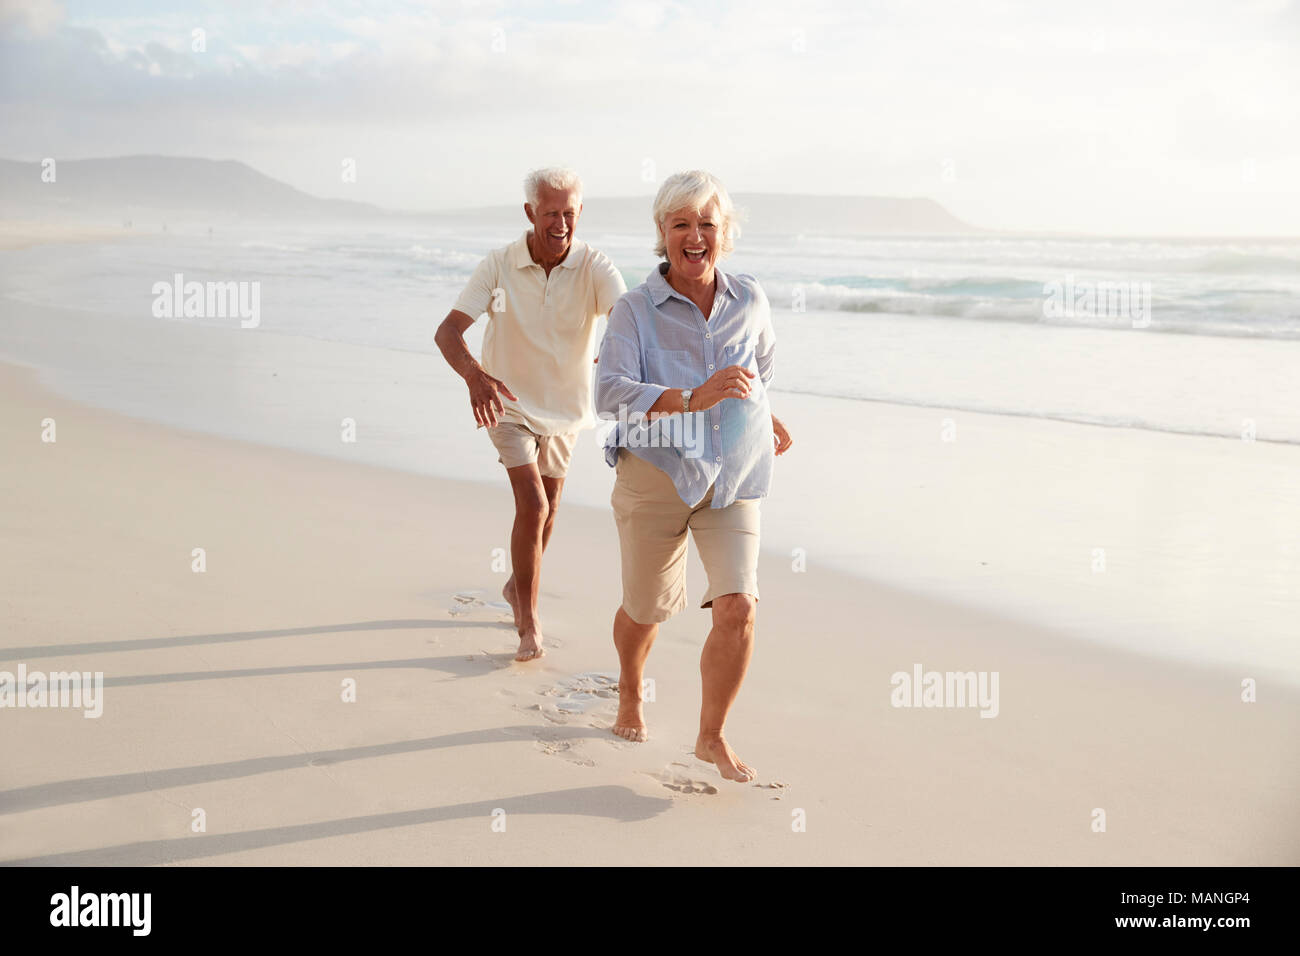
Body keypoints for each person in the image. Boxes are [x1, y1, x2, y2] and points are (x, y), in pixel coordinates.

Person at [595, 170, 793, 782]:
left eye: (707, 224)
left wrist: (767, 415)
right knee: (647, 609)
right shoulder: (633, 309)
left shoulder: (751, 299)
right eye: (682, 224)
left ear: (724, 233)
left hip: (732, 476)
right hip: (654, 473)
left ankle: (711, 735)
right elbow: (607, 394)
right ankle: (630, 685)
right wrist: (690, 397)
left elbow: (758, 368)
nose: (696, 236)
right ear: (663, 233)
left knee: (738, 607)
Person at [435, 167, 626, 661]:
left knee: (551, 507)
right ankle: (529, 621)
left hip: (567, 408)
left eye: (569, 213)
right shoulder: (499, 265)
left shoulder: (595, 266)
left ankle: (516, 586)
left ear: (579, 213)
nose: (561, 223)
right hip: (507, 401)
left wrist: (622, 346)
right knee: (534, 504)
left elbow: (628, 315)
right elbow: (448, 333)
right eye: (550, 214)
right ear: (529, 213)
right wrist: (477, 377)